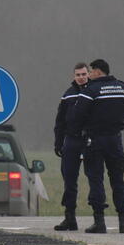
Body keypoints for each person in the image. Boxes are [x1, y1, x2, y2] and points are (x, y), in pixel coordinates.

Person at [71, 59, 124, 233]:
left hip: (95, 141)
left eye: (91, 72)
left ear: (98, 72)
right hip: (116, 141)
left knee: (96, 180)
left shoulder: (91, 90)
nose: (89, 75)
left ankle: (99, 222)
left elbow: (77, 114)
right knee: (118, 180)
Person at [53, 62, 89, 231]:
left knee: (95, 179)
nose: (81, 77)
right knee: (69, 181)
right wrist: (58, 142)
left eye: (83, 74)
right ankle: (70, 218)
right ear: (74, 76)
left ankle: (99, 218)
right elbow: (60, 121)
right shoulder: (68, 95)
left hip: (90, 141)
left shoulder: (94, 92)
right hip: (71, 141)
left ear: (88, 74)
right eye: (78, 75)